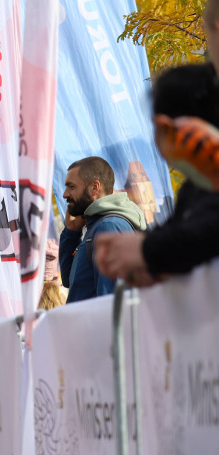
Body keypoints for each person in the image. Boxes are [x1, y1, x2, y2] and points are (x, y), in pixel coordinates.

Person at [96, 62, 219, 287]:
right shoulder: (193, 190)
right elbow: (179, 235)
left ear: (164, 127)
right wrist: (151, 262)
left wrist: (145, 251)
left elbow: (201, 233)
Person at [59, 156, 146, 303]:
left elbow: (112, 303)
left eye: (71, 187)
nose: (65, 194)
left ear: (94, 188)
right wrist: (71, 233)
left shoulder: (108, 227)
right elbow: (72, 282)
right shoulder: (98, 226)